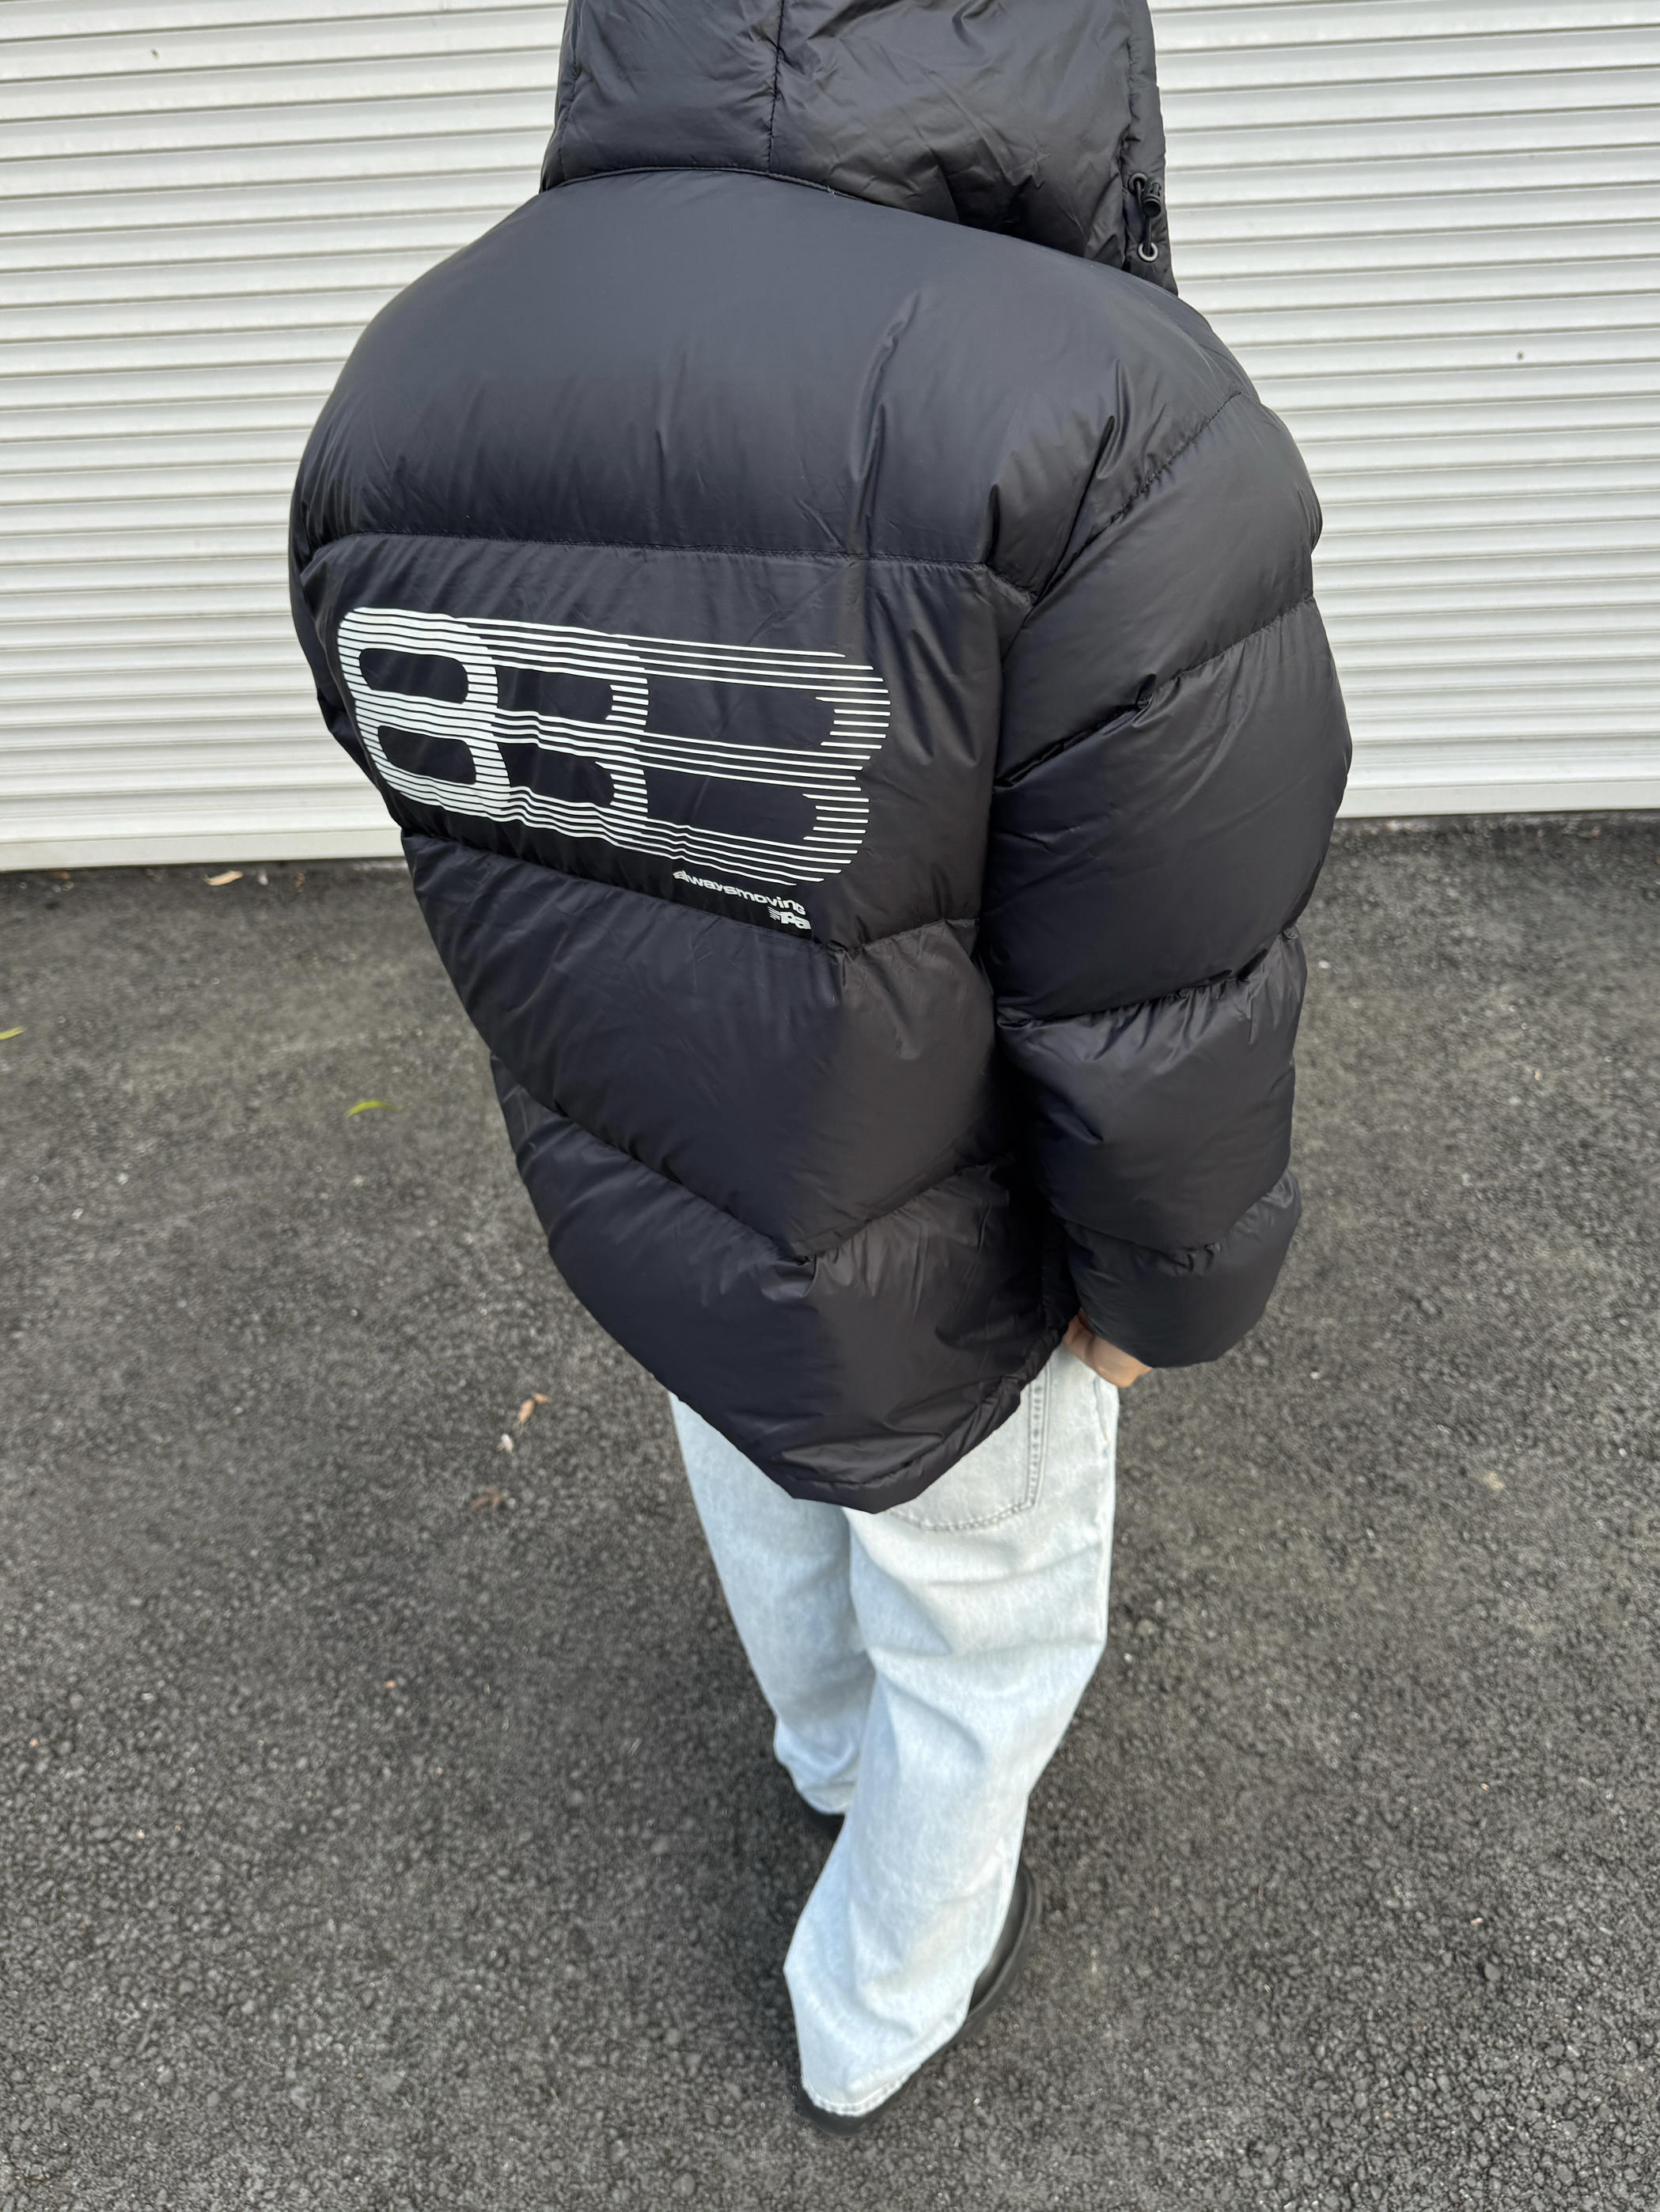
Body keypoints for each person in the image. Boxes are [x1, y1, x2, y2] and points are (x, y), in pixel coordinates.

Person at [289, 0, 1350, 2134]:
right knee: (986, 1619)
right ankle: (877, 1994)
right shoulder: (1101, 412)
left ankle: (820, 1751)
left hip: (650, 1173)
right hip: (959, 1258)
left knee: (763, 1454)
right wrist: (1160, 1295)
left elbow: (461, 814)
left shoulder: (410, 374)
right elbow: (1170, 970)